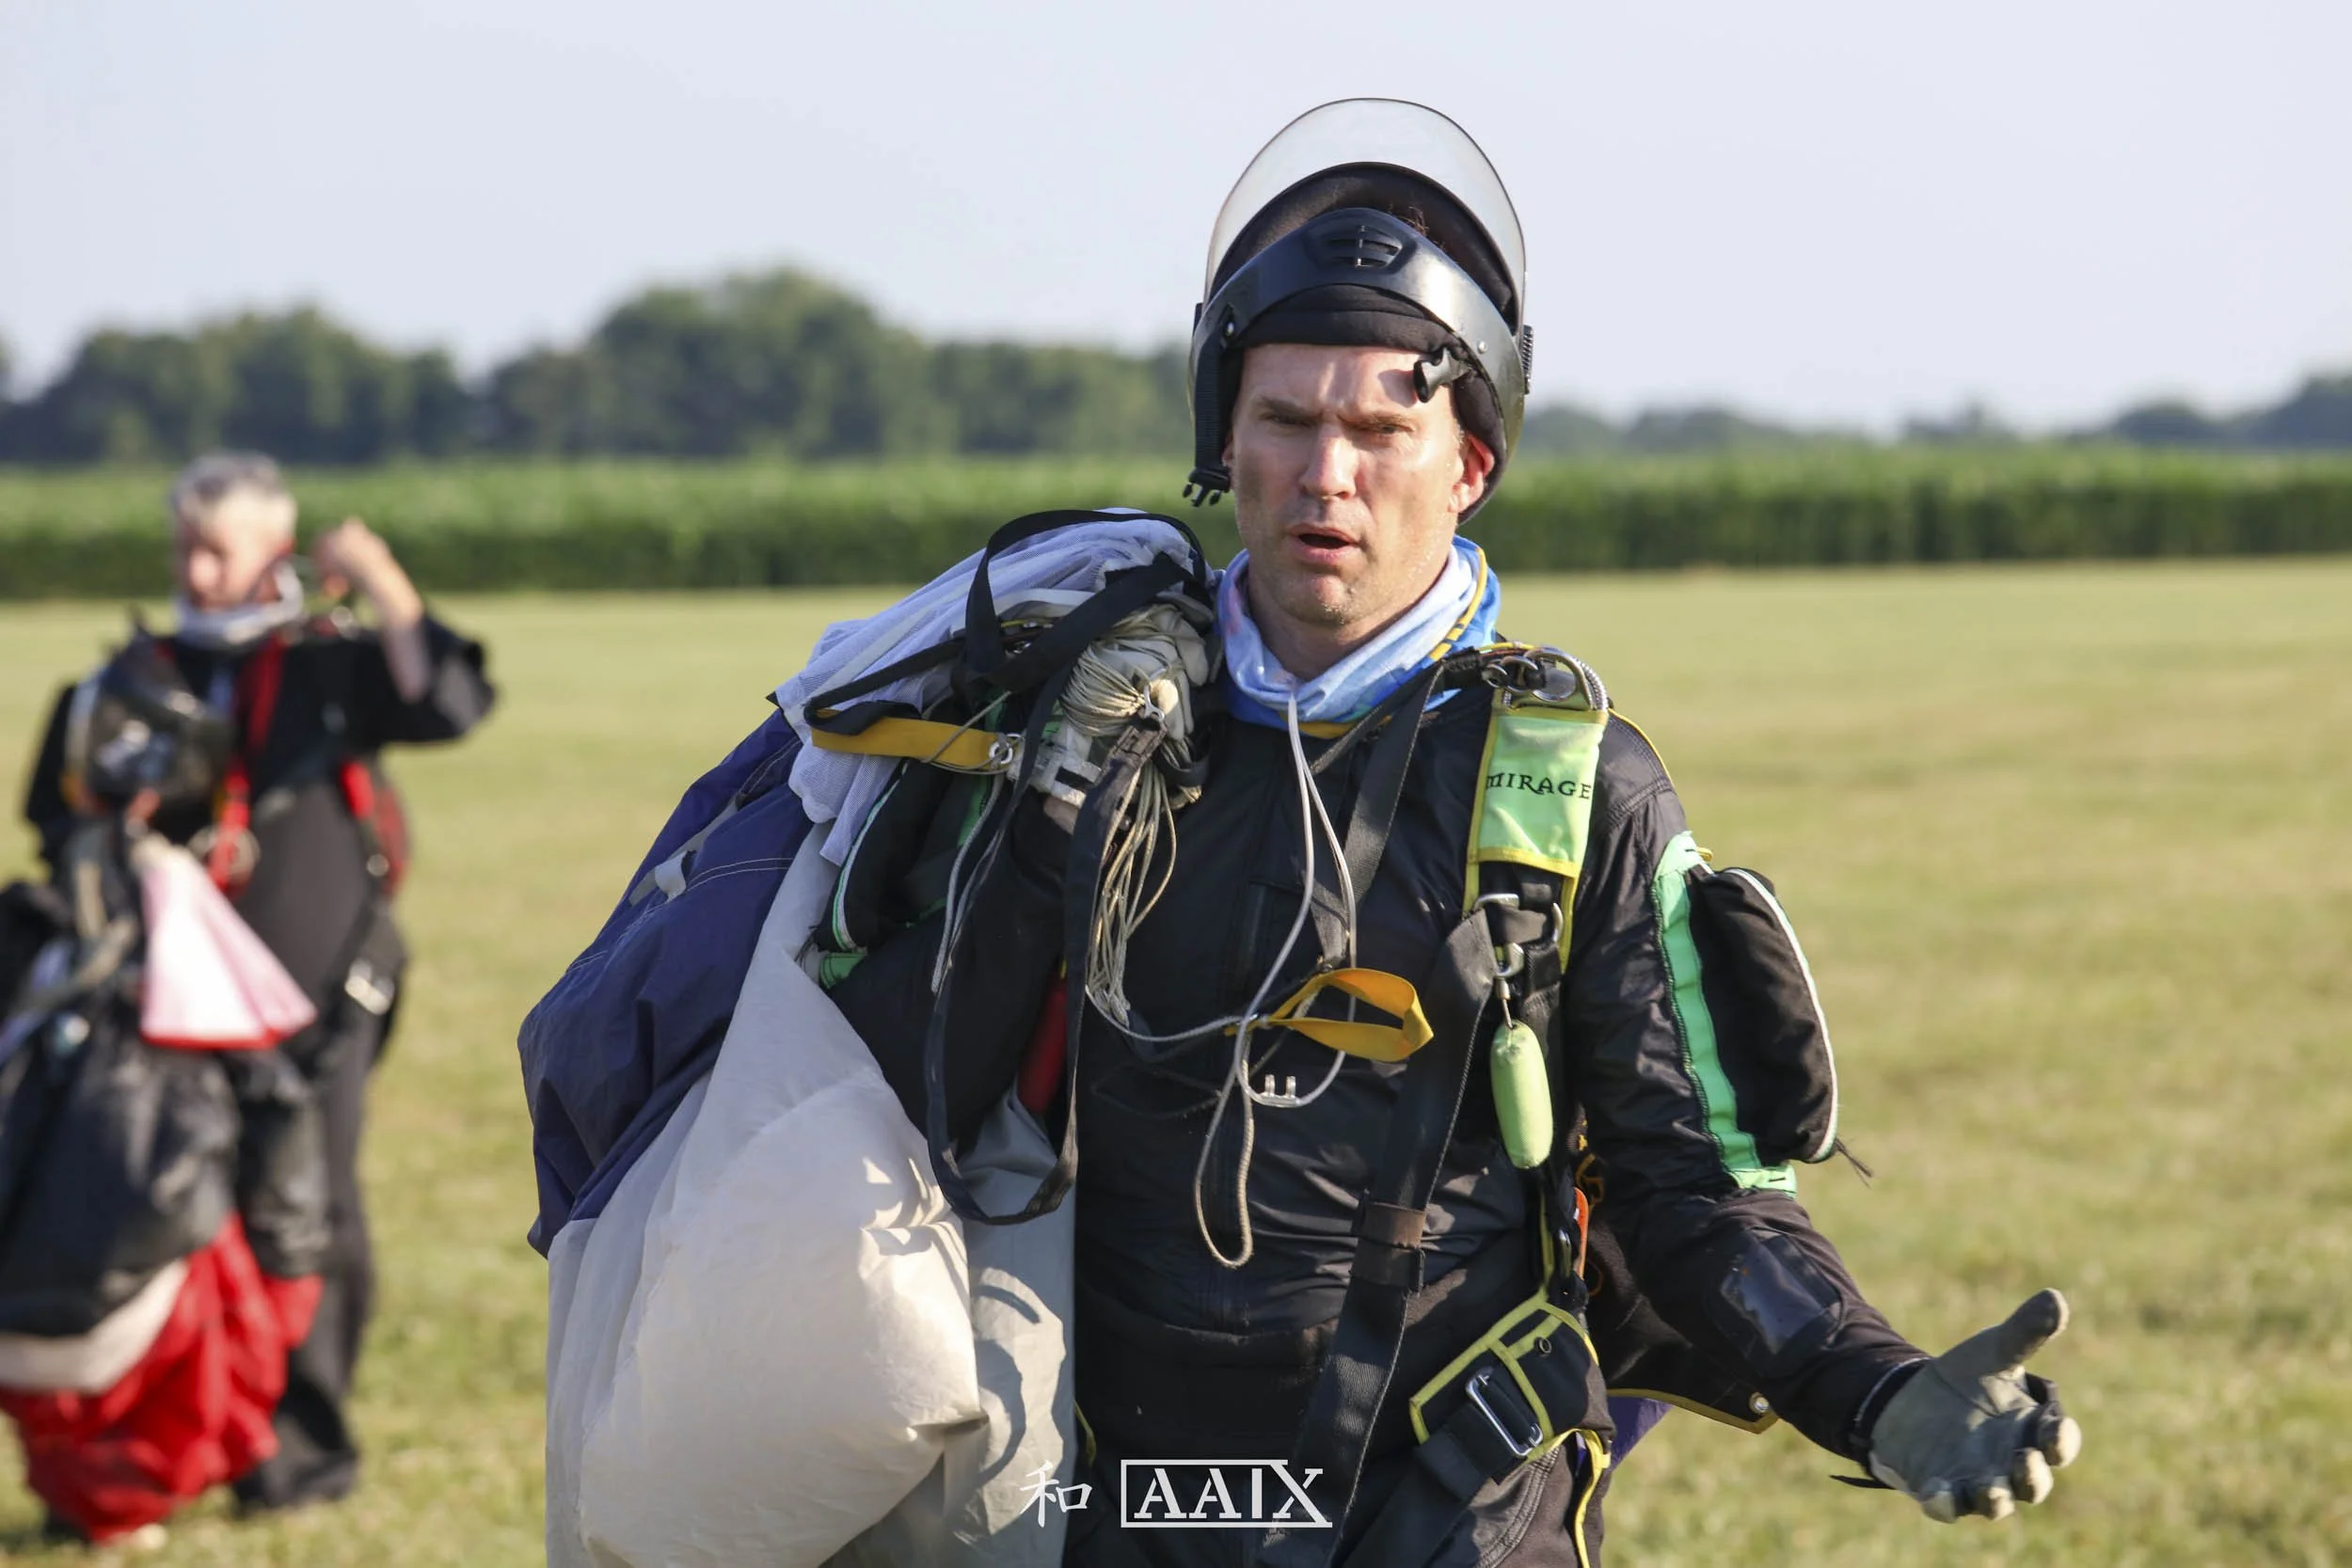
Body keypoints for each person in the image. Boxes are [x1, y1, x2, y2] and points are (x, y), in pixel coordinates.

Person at [821, 101, 2083, 1565]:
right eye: (1284, 421)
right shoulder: (1072, 723)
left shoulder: (1566, 786)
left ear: (1469, 461)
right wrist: (1052, 814)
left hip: (1446, 1498)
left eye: (1381, 428)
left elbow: (1698, 1180)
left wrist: (1872, 1389)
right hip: (1112, 1498)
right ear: (1221, 443)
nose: (1326, 474)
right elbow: (882, 1111)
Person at [18, 451, 495, 1512]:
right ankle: (141, 1452)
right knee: (137, 1207)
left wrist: (381, 580)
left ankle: (295, 1458)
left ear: (274, 552)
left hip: (315, 996)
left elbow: (448, 702)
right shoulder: (132, 674)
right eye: (183, 542)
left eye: (217, 547)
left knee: (308, 1216)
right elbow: (54, 815)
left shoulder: (330, 666)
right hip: (154, 1005)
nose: (195, 566)